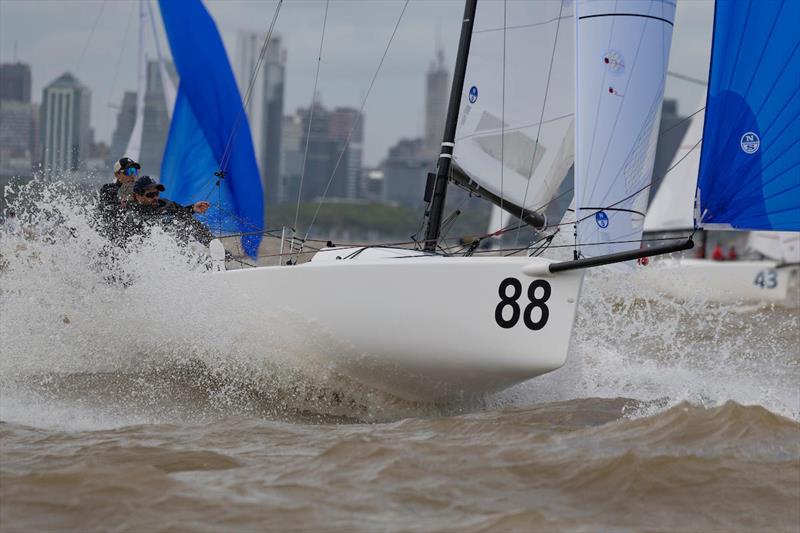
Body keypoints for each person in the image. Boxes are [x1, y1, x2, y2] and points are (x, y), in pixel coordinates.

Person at [127, 176, 213, 246]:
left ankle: (213, 245)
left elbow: (181, 212)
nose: (155, 197)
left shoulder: (165, 203)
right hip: (150, 251)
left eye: (156, 193)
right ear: (138, 196)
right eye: (150, 195)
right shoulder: (131, 214)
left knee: (187, 220)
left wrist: (193, 208)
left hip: (176, 247)